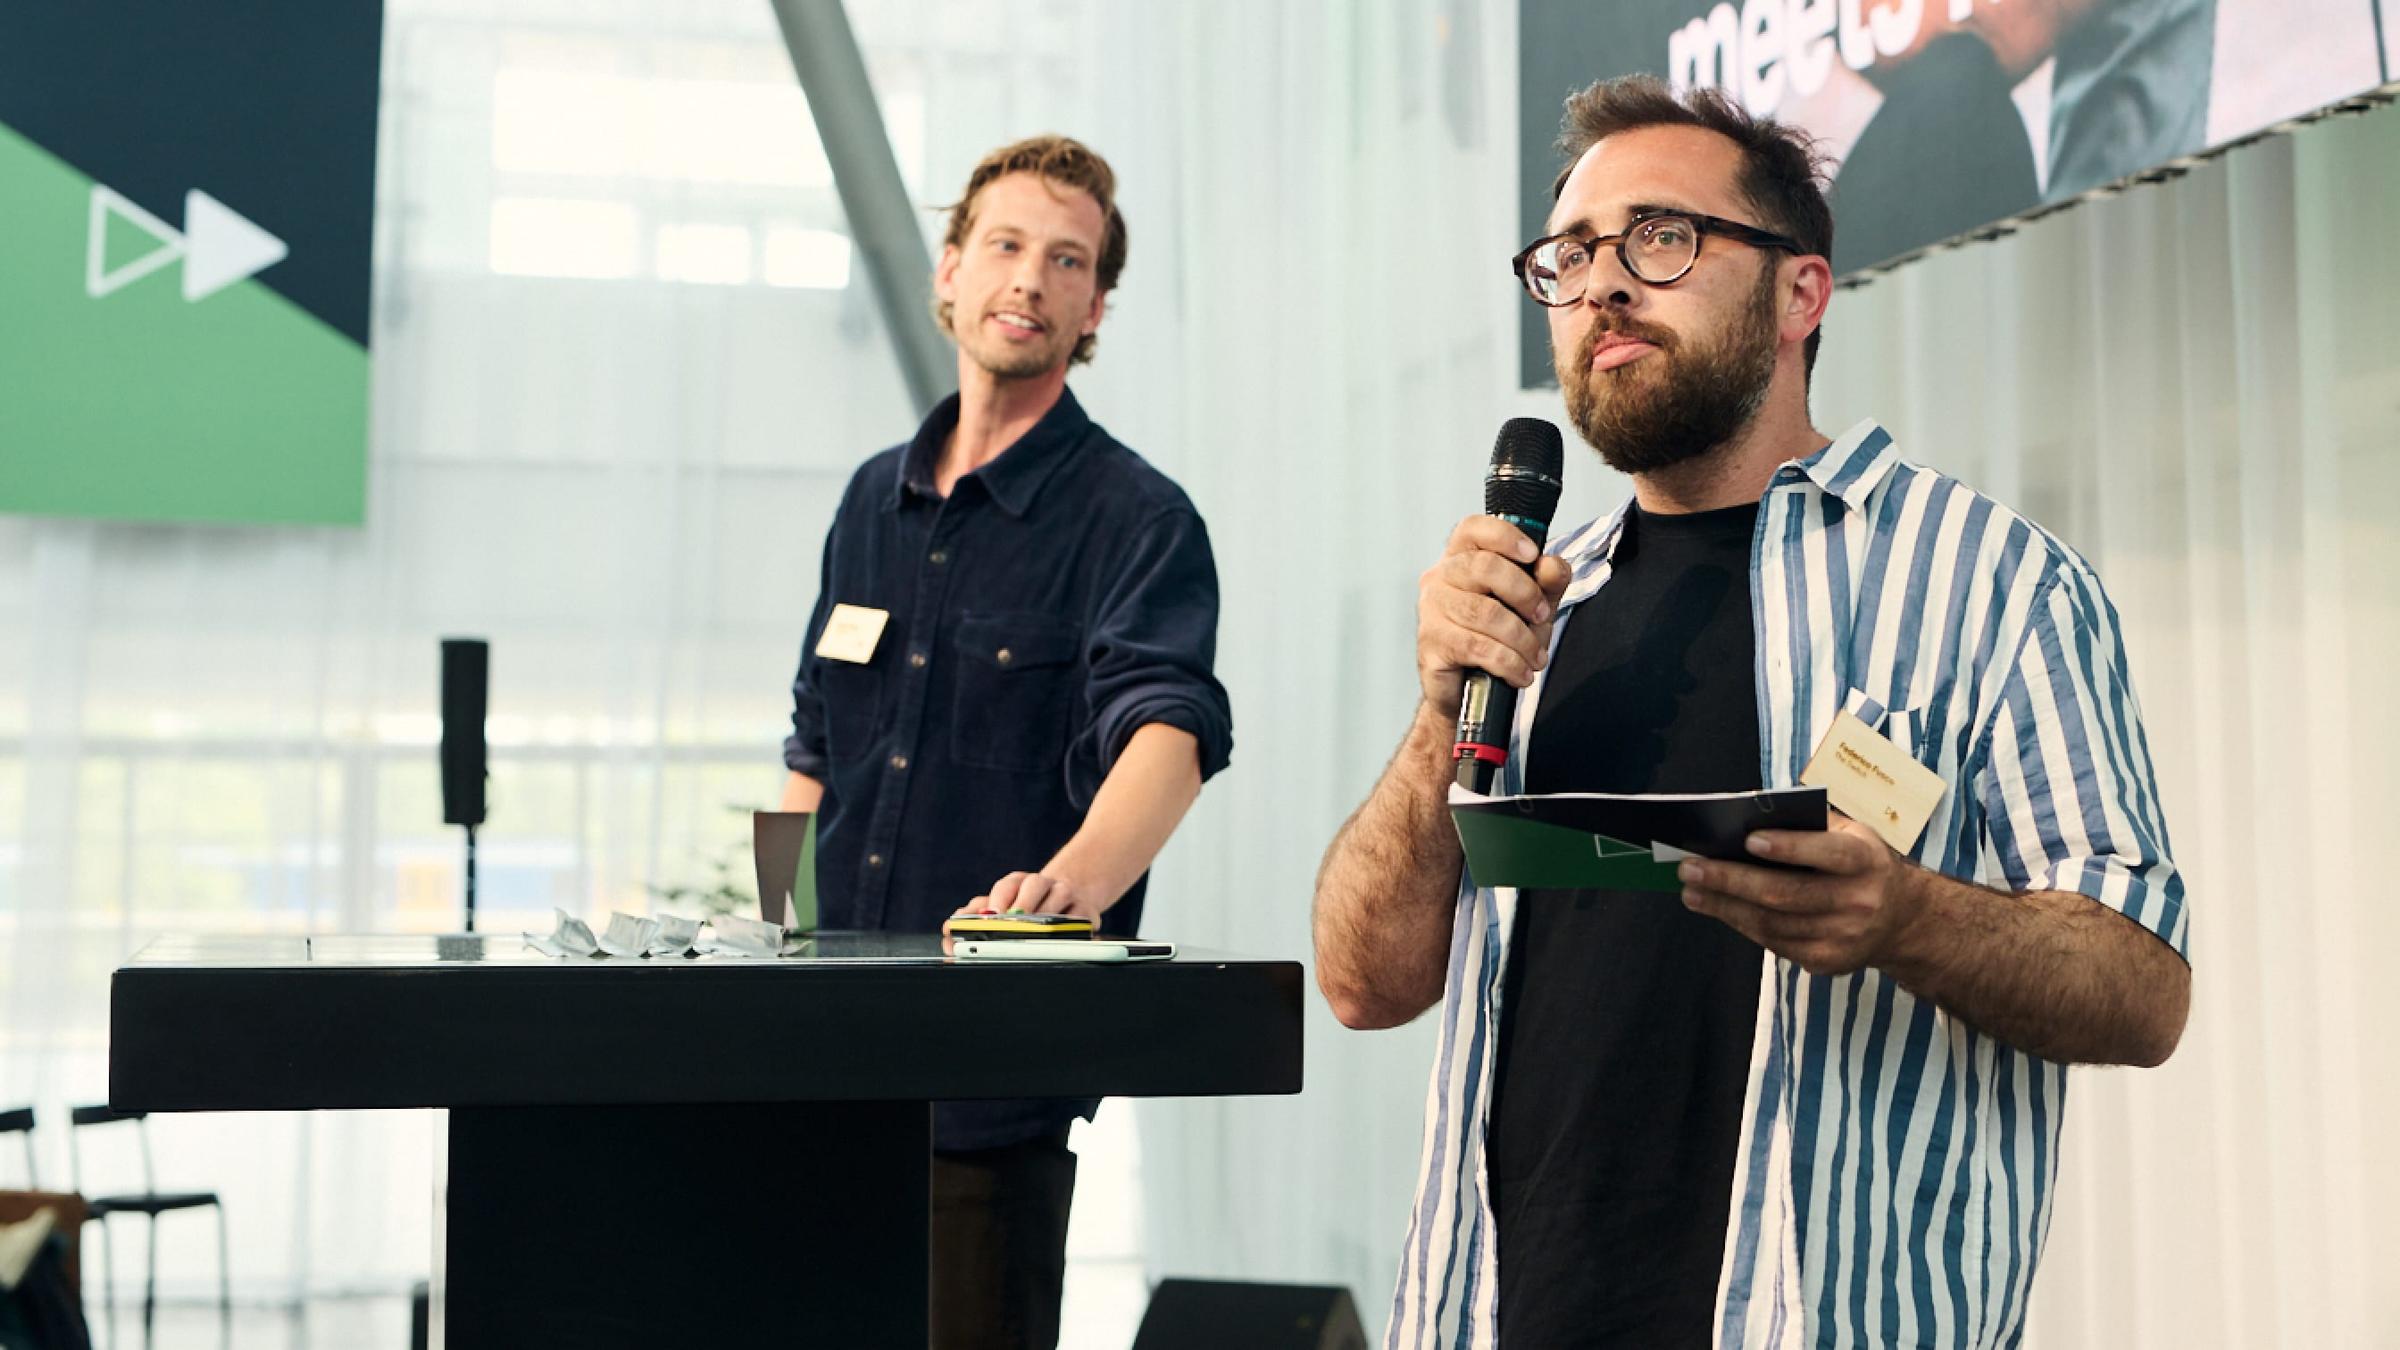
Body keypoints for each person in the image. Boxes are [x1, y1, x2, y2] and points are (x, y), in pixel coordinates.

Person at [1313, 76, 2188, 1348]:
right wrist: (1439, 705)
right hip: (1507, 1313)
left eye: (1659, 238)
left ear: (1801, 293)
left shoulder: (1989, 583)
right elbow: (1364, 983)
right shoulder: (1534, 605)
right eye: (1570, 256)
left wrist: (1907, 915)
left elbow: (2143, 985)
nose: (1602, 283)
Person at [779, 135, 1234, 1350]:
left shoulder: (1138, 518)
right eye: (1006, 246)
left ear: (1093, 310)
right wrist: (759, 942)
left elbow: (1169, 731)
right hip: (821, 1076)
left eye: (1067, 260)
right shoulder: (868, 500)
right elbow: (812, 746)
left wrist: (1067, 894)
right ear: (950, 273)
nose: (1029, 278)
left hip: (986, 1095)